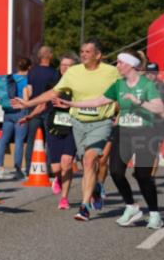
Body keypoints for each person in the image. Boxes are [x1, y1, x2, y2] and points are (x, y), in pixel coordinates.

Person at [12, 39, 119, 222]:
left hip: (101, 122)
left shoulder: (111, 72)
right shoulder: (74, 73)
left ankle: (84, 207)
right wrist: (28, 103)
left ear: (98, 55)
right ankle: (95, 188)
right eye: (82, 51)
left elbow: (123, 91)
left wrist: (120, 111)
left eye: (88, 51)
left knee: (89, 159)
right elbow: (53, 93)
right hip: (78, 122)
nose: (84, 54)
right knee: (87, 163)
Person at [60, 53, 164, 229]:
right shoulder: (118, 85)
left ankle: (155, 214)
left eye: (120, 62)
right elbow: (98, 101)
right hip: (123, 132)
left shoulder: (147, 84)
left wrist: (138, 102)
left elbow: (160, 108)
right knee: (116, 171)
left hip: (145, 133)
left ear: (131, 65)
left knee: (142, 175)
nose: (117, 65)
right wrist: (71, 104)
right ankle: (131, 206)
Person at [41, 51, 79, 209]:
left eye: (68, 66)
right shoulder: (52, 82)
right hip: (54, 127)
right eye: (63, 64)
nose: (64, 68)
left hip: (72, 127)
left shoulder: (78, 84)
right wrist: (30, 115)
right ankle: (57, 178)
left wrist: (68, 105)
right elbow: (43, 102)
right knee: (56, 167)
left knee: (67, 163)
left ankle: (64, 198)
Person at [0, 58, 30, 179]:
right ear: (28, 68)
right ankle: (18, 169)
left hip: (8, 112)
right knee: (19, 141)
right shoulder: (24, 80)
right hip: (20, 112)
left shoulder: (8, 78)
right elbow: (26, 98)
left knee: (4, 139)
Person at [24, 45, 58, 172]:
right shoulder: (54, 73)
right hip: (49, 110)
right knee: (50, 140)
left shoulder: (32, 71)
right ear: (50, 56)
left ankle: (28, 168)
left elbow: (29, 89)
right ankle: (49, 169)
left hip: (33, 109)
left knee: (31, 139)